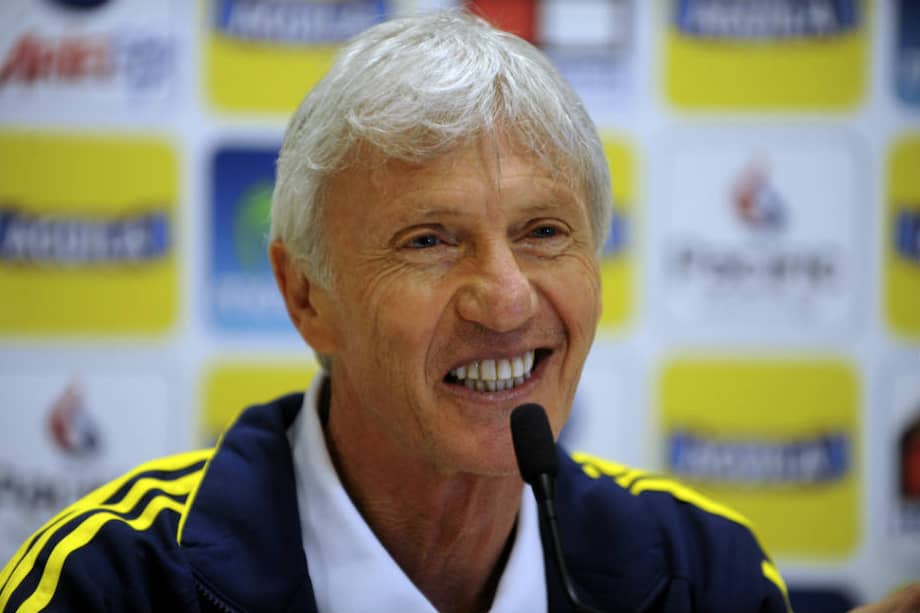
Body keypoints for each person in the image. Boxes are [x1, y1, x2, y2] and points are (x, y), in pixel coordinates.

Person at [1, 10, 917, 613]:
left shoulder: (701, 575)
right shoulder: (107, 583)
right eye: (430, 240)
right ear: (304, 295)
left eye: (546, 231)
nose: (508, 297)